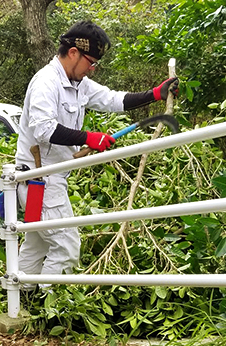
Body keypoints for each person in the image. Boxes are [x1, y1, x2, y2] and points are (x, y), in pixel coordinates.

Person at [16, 20, 179, 289]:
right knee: (67, 246)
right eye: (91, 62)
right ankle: (48, 304)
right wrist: (88, 137)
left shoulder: (79, 82)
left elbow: (114, 99)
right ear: (72, 53)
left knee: (37, 244)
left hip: (50, 181)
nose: (93, 69)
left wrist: (154, 94)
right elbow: (44, 129)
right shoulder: (46, 82)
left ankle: (21, 298)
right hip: (39, 180)